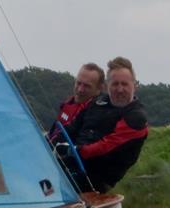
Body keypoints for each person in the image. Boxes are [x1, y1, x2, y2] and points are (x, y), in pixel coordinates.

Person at [58, 57, 148, 193]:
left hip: (94, 181)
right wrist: (49, 144)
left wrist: (74, 151)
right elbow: (72, 128)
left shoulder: (136, 117)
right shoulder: (97, 102)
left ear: (134, 86)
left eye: (125, 84)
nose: (119, 89)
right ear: (107, 86)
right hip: (69, 165)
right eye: (115, 84)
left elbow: (106, 146)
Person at [47, 63, 105, 143]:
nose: (80, 89)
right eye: (78, 83)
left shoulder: (97, 114)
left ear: (99, 89)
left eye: (87, 86)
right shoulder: (69, 102)